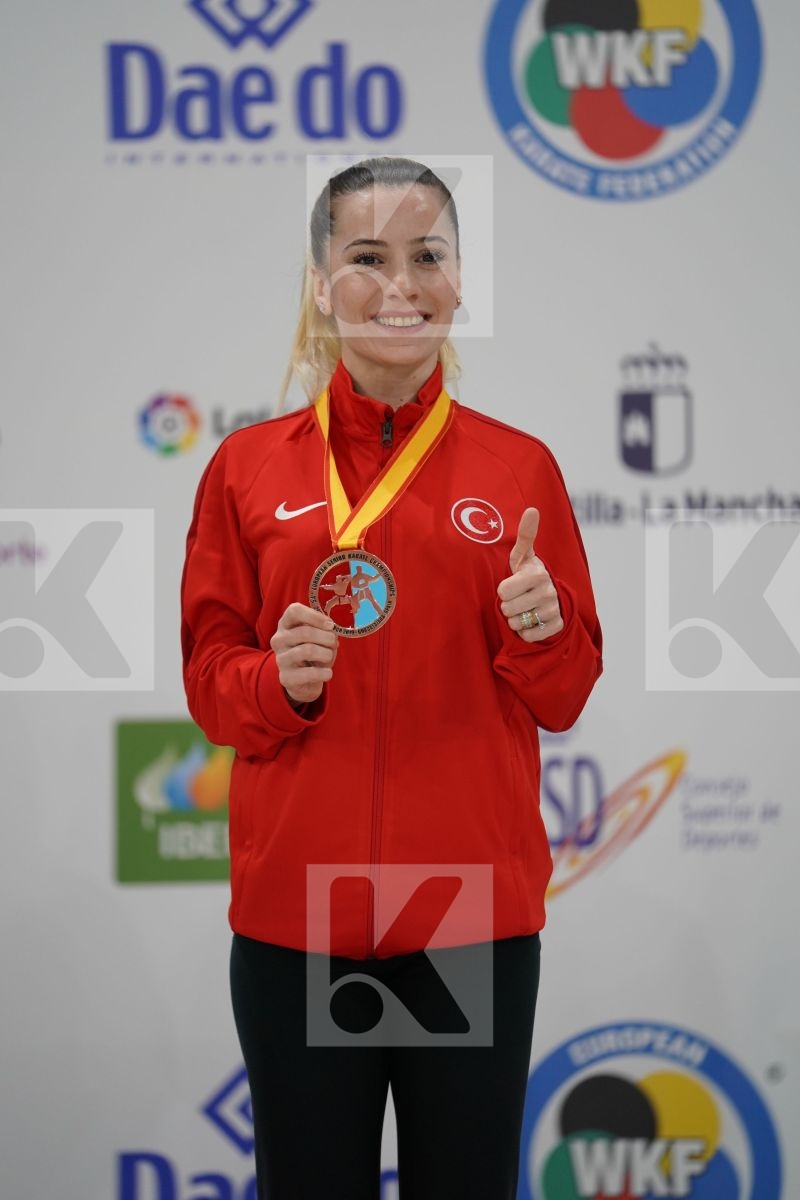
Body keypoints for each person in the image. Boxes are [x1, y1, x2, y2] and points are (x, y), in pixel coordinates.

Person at [180, 156, 603, 1200]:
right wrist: (275, 683)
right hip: (302, 915)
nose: (400, 284)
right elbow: (208, 681)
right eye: (367, 257)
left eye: (427, 257)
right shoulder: (247, 468)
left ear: (461, 282)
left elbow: (562, 692)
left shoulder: (518, 471)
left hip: (464, 917)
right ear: (322, 283)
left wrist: (538, 632)